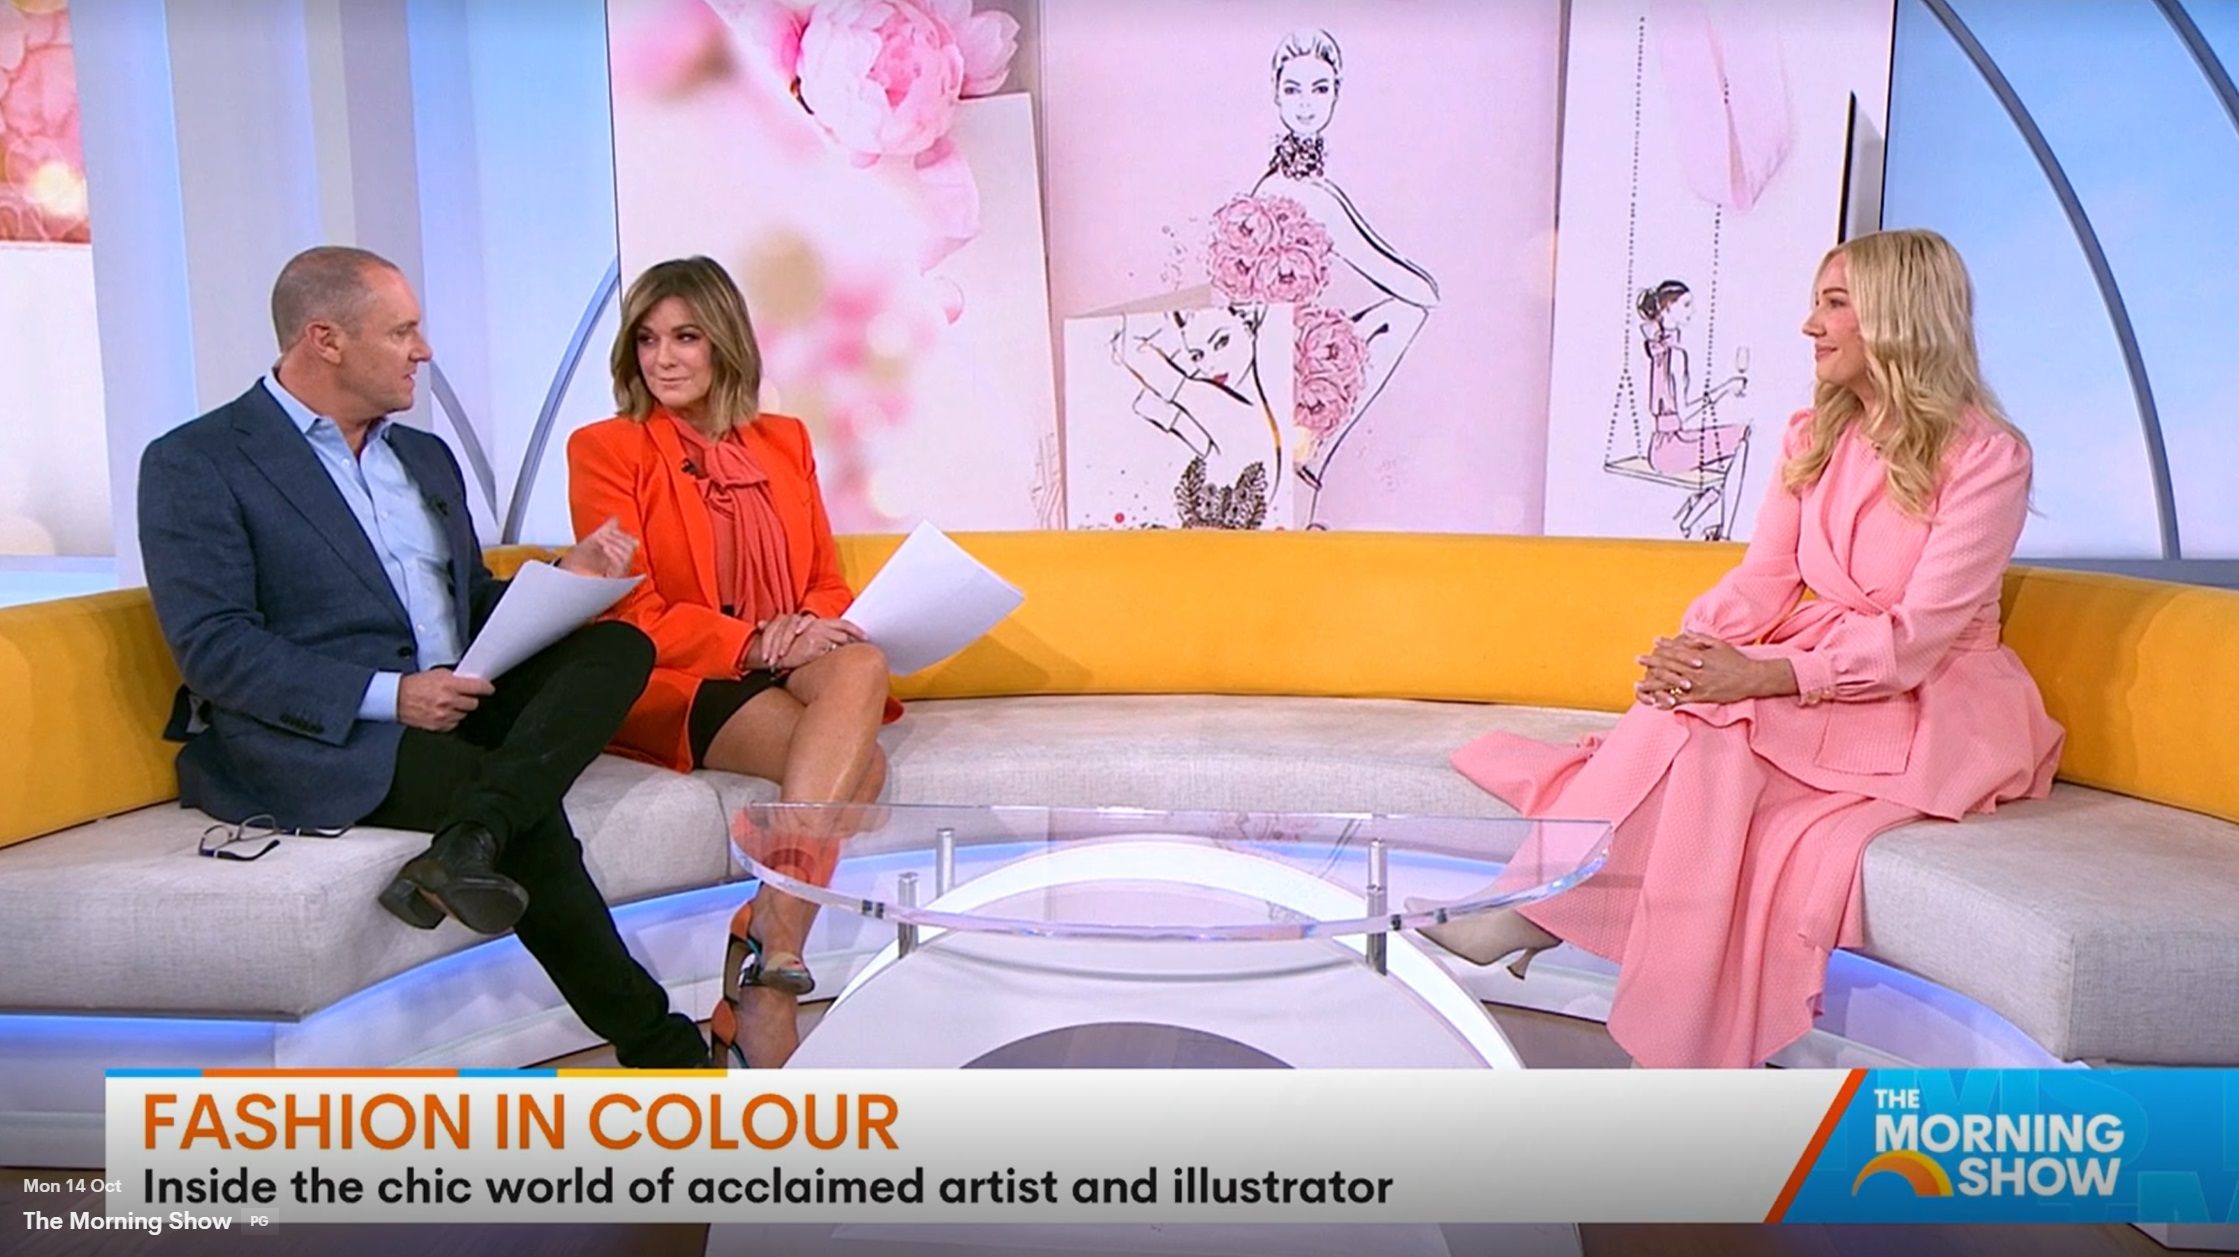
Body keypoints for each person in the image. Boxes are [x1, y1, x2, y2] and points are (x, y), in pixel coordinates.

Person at [1415, 229, 2065, 1068]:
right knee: (1691, 713)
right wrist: (1694, 648)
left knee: (1718, 727)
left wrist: (1757, 674)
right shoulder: (1813, 434)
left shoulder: (1987, 456)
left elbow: (1916, 639)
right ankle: (1579, 943)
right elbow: (1765, 577)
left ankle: (1560, 931)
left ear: (1896, 316)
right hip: (1826, 665)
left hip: (1931, 700)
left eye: (1833, 304)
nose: (1809, 325)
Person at [138, 245, 707, 1068]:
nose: (424, 350)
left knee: (620, 644)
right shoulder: (197, 461)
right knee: (525, 813)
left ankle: (468, 839)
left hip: (457, 692)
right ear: (326, 339)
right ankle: (664, 1050)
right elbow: (215, 647)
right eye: (402, 331)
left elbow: (465, 603)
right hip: (332, 732)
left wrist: (564, 580)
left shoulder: (422, 456)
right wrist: (390, 694)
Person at [567, 255, 895, 1070]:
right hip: (682, 673)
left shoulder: (783, 441)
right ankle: (767, 981)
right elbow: (628, 611)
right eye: (647, 340)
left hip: (782, 653)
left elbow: (823, 578)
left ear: (724, 345)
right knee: (860, 767)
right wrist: (749, 642)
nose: (663, 358)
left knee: (861, 664)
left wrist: (807, 625)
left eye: (685, 337)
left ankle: (770, 933)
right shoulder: (607, 448)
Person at [1250, 28, 1439, 520]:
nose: (1306, 105)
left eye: (1319, 89)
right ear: (1276, 94)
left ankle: (1312, 461)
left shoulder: (1300, 184)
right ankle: (1313, 458)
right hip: (1272, 363)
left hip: (1280, 356)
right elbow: (1405, 283)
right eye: (1293, 89)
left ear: (1336, 93)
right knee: (1403, 313)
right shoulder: (1296, 191)